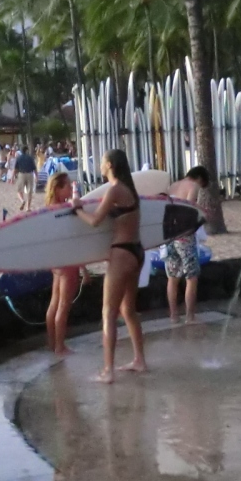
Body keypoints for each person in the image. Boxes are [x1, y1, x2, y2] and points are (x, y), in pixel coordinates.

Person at [72, 149, 147, 383]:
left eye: (102, 162)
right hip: (137, 252)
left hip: (122, 253)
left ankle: (108, 371)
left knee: (109, 312)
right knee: (128, 310)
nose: (100, 165)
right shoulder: (129, 189)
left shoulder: (114, 189)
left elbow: (95, 221)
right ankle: (139, 360)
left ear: (110, 165)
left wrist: (77, 209)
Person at [44, 173, 85, 356]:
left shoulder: (48, 209)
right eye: (67, 186)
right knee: (63, 305)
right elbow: (73, 239)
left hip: (56, 261)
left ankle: (52, 343)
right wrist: (83, 268)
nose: (70, 188)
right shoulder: (64, 210)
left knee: (54, 303)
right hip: (68, 261)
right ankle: (60, 347)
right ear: (58, 189)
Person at [165, 166, 210, 323]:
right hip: (184, 236)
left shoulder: (172, 186)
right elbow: (188, 209)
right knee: (191, 277)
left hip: (169, 236)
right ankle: (190, 316)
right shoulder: (193, 186)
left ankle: (173, 315)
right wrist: (202, 215)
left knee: (172, 277)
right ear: (199, 178)